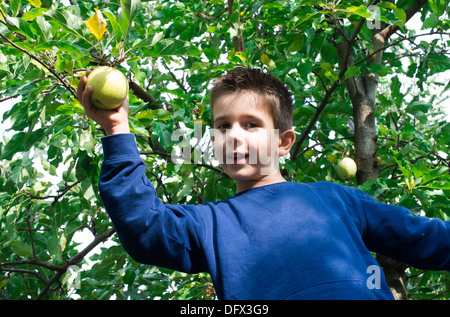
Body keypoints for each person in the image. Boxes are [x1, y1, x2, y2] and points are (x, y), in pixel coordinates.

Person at [77, 67, 449, 300]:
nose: (234, 136)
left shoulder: (337, 198)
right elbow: (145, 227)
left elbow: (425, 237)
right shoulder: (209, 224)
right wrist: (116, 129)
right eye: (223, 127)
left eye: (251, 124)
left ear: (283, 142)